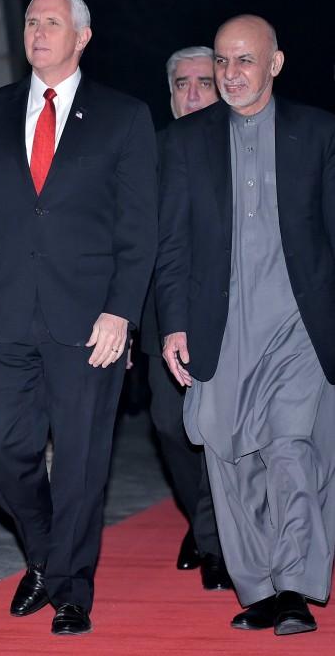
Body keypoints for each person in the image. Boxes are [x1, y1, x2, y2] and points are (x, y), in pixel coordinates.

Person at [0, 0, 157, 635]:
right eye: (31, 21)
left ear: (82, 36)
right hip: (2, 314)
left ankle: (71, 587)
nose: (37, 31)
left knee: (83, 457)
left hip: (89, 322)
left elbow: (138, 228)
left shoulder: (123, 116)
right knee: (1, 442)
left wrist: (122, 312)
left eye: (51, 23)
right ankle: (46, 551)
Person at [156, 14, 335, 636]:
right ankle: (256, 585)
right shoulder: (185, 142)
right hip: (221, 325)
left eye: (244, 62)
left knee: (292, 450)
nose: (230, 75)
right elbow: (172, 246)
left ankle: (295, 585)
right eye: (223, 62)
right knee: (229, 459)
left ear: (275, 64)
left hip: (299, 326)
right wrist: (174, 324)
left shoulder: (317, 133)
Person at [139, 46, 230, 590]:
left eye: (204, 83)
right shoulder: (147, 152)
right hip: (161, 316)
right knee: (170, 426)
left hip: (233, 313)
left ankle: (217, 538)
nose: (192, 94)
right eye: (181, 84)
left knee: (224, 432)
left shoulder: (244, 148)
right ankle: (203, 522)